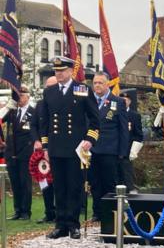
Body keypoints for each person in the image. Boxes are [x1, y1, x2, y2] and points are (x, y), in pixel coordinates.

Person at [40, 56, 100, 239]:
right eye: (56, 71)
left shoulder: (82, 90)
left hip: (76, 148)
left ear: (70, 71)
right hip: (56, 148)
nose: (58, 74)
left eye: (61, 71)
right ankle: (60, 225)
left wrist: (90, 140)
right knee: (59, 187)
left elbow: (95, 121)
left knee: (74, 187)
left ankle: (73, 225)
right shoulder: (49, 92)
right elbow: (45, 122)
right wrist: (45, 147)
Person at [89, 72, 128, 221]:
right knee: (95, 183)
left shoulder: (117, 102)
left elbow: (123, 129)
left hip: (110, 150)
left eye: (100, 83)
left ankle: (110, 213)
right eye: (95, 83)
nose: (97, 85)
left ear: (107, 84)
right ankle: (97, 212)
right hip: (92, 149)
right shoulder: (90, 101)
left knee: (109, 183)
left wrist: (122, 152)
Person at [4, 85, 34, 220]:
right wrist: (7, 107)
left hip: (25, 153)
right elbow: (0, 119)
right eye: (17, 95)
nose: (19, 98)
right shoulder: (11, 112)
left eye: (21, 95)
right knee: (15, 183)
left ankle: (25, 211)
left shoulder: (33, 112)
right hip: (11, 152)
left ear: (28, 96)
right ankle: (17, 210)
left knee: (25, 183)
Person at [30, 76, 57, 224]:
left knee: (58, 183)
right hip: (42, 152)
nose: (48, 89)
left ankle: (60, 213)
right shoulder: (40, 105)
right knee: (44, 182)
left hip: (57, 149)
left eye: (51, 86)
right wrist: (36, 140)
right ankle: (49, 213)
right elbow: (33, 125)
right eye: (47, 87)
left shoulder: (61, 103)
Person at [118, 92, 143, 193]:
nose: (124, 101)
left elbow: (138, 135)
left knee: (127, 175)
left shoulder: (134, 116)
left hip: (127, 151)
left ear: (130, 101)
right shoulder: (115, 113)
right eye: (122, 99)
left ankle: (130, 196)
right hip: (114, 149)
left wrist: (134, 150)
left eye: (126, 99)